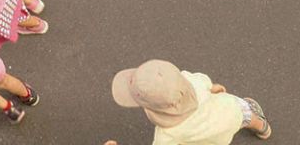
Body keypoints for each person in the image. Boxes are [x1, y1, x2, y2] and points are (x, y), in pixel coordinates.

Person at [111, 59, 272, 144]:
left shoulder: (167, 134)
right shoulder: (193, 82)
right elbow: (209, 85)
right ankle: (262, 127)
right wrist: (215, 88)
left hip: (213, 140)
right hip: (230, 113)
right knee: (244, 112)